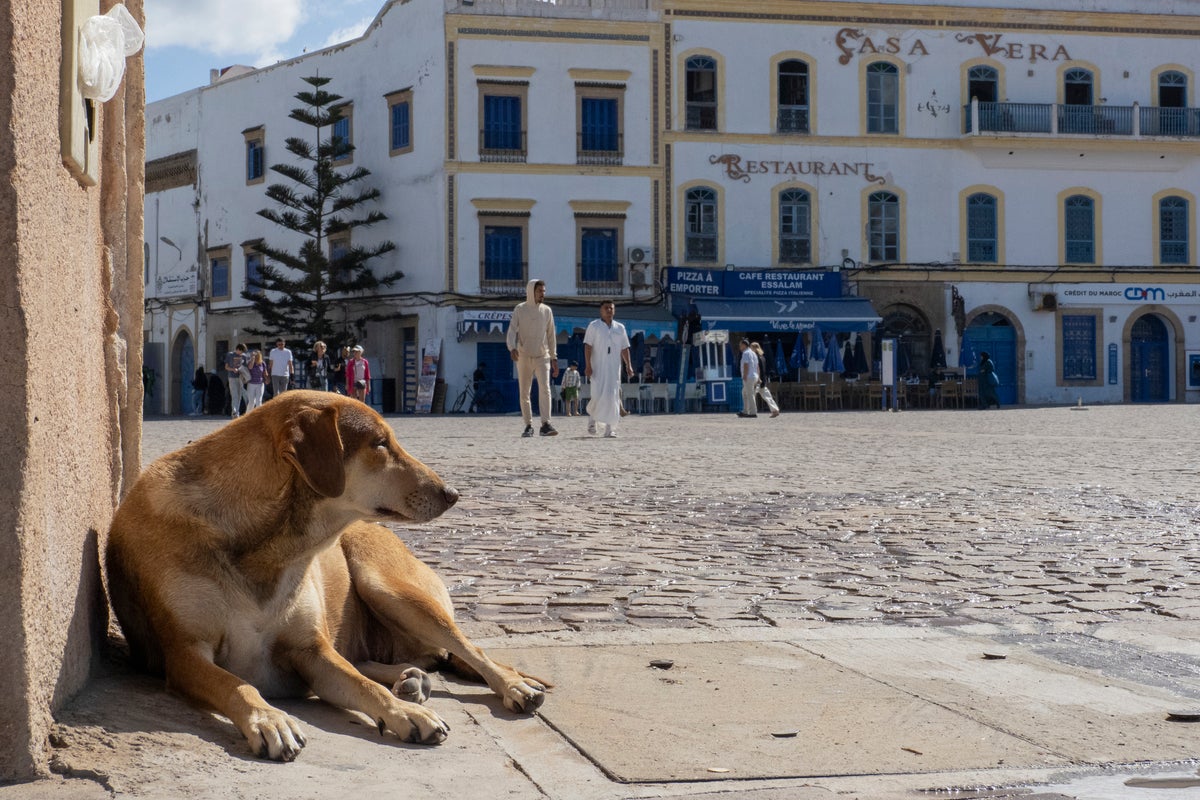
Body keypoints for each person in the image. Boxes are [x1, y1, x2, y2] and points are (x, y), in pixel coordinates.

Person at [506, 278, 559, 438]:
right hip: (523, 356)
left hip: (542, 356)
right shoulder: (520, 309)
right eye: (539, 291)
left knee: (545, 389)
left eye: (544, 291)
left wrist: (554, 356)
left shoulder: (547, 311)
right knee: (524, 392)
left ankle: (545, 424)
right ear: (531, 292)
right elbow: (512, 330)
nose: (542, 294)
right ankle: (528, 425)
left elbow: (551, 335)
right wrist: (512, 347)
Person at [584, 299, 632, 438]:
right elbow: (587, 346)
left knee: (613, 397)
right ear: (601, 310)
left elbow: (625, 348)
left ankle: (610, 429)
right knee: (597, 395)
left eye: (611, 308)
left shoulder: (620, 328)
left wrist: (628, 365)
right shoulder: (594, 326)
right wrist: (588, 365)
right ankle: (592, 420)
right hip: (597, 367)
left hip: (614, 369)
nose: (609, 311)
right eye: (606, 308)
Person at [749, 341, 781, 418]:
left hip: (758, 379)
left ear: (754, 348)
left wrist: (758, 379)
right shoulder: (762, 357)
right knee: (767, 396)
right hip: (763, 379)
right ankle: (775, 410)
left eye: (751, 348)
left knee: (751, 395)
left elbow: (758, 369)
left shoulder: (756, 358)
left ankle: (750, 411)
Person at [223, 343, 248, 418]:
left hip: (241, 377)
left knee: (240, 395)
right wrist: (232, 369)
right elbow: (226, 367)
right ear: (238, 349)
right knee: (234, 395)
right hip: (232, 377)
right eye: (241, 351)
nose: (242, 353)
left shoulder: (244, 356)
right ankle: (234, 412)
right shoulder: (230, 355)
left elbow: (246, 367)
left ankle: (237, 412)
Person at [737, 338, 759, 418]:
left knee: (750, 394)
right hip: (754, 376)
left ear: (744, 345)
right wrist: (758, 376)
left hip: (749, 377)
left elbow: (746, 365)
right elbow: (757, 366)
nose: (739, 347)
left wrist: (745, 375)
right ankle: (745, 411)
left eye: (740, 345)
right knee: (745, 393)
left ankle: (753, 412)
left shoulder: (745, 353)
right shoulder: (753, 353)